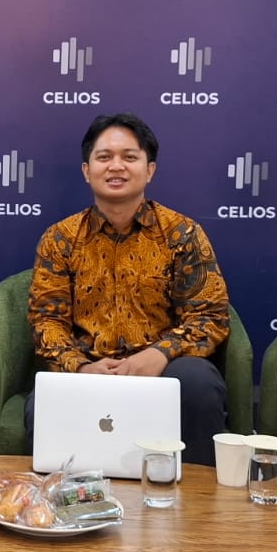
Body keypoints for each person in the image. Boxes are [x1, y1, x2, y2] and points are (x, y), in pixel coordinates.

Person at [26, 113, 231, 465]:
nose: (116, 166)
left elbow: (210, 317)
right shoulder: (60, 238)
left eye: (129, 157)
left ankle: (200, 506)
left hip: (164, 367)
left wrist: (158, 355)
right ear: (86, 171)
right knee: (43, 402)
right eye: (104, 157)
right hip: (88, 369)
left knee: (197, 381)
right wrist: (81, 367)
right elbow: (46, 322)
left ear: (149, 169)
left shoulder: (182, 234)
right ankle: (60, 507)